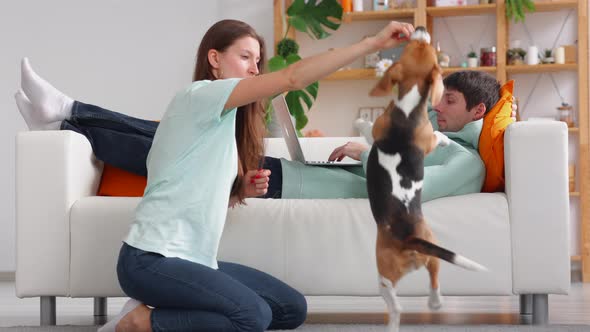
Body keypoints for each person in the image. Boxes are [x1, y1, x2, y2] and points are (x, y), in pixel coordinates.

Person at [18, 19, 415, 332]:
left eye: (257, 60)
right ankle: (143, 322)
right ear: (214, 58)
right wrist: (371, 44)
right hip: (150, 260)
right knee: (253, 318)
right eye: (246, 57)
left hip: (193, 260)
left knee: (291, 308)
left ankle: (162, 307)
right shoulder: (199, 96)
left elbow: (189, 190)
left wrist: (238, 189)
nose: (255, 69)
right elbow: (292, 79)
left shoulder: (220, 127)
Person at [17, 58, 504, 203]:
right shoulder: (444, 143)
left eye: (452, 103)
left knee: (173, 144)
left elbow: (407, 189)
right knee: (174, 136)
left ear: (479, 110)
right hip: (298, 177)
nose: (440, 111)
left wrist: (366, 153)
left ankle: (66, 113)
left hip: (293, 188)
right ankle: (66, 115)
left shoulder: (466, 160)